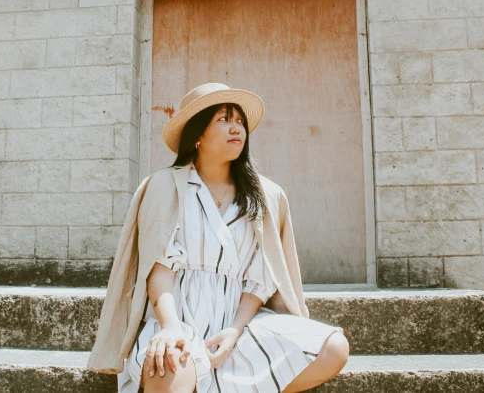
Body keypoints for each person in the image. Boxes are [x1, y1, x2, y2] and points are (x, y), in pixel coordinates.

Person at [87, 82, 349, 393]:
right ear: (197, 134)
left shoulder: (267, 195)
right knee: (166, 367)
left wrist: (234, 331)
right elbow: (158, 268)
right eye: (224, 119)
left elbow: (261, 278)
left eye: (240, 121)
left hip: (238, 322)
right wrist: (170, 327)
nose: (236, 127)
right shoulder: (164, 186)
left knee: (334, 348)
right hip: (176, 315)